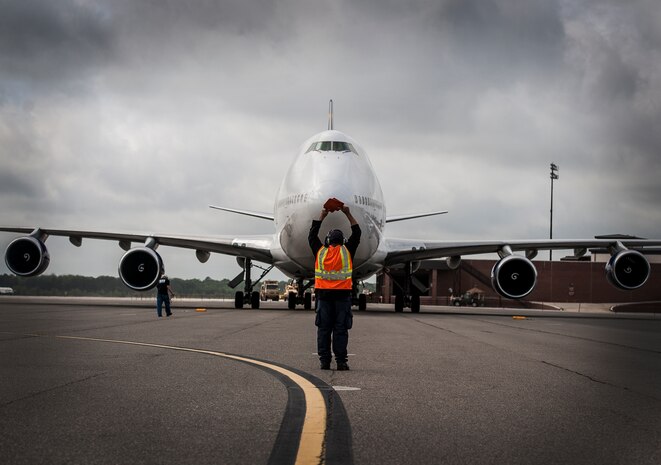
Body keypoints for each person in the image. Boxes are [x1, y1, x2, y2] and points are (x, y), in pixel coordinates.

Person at [308, 204, 361, 370]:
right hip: (342, 298)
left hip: (323, 298)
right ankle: (341, 362)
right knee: (340, 330)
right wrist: (348, 213)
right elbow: (357, 233)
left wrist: (322, 216)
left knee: (323, 330)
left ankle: (324, 361)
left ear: (328, 241)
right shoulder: (347, 251)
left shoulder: (320, 252)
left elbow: (311, 235)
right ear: (343, 241)